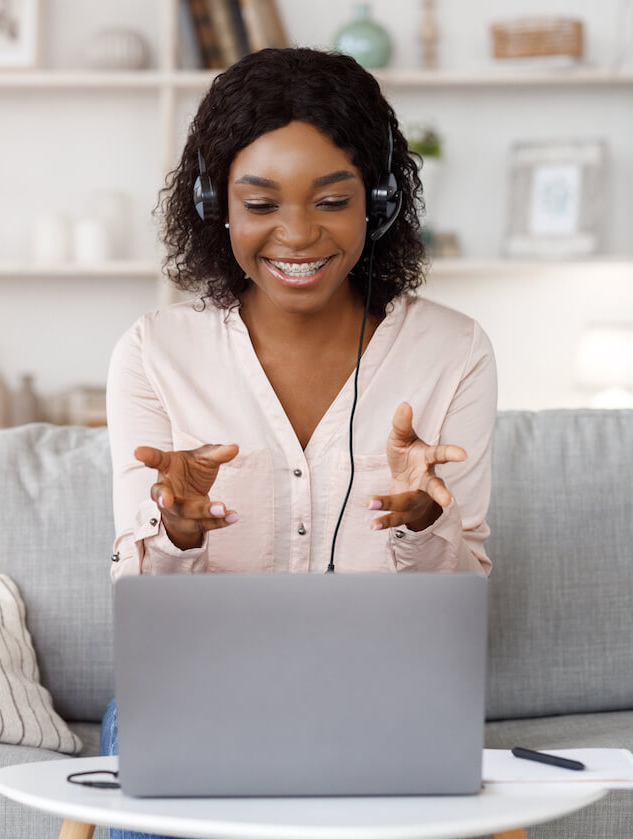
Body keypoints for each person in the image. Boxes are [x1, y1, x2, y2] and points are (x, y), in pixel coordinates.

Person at [100, 47, 496, 838]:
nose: (298, 234)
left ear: (377, 202)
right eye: (261, 203)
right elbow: (143, 608)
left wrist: (423, 520)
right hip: (195, 689)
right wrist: (176, 527)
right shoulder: (153, 353)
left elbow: (461, 603)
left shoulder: (455, 352)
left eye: (331, 200)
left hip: (387, 694)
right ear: (218, 206)